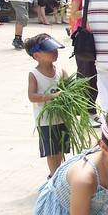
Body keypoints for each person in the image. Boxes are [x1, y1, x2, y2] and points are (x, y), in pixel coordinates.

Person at [24, 33, 70, 177]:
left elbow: (69, 88)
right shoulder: (34, 74)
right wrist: (52, 96)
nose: (54, 53)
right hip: (45, 120)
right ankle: (54, 176)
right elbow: (32, 96)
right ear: (36, 55)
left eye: (55, 49)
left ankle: (58, 173)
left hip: (61, 117)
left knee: (61, 148)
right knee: (51, 151)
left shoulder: (61, 71)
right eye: (49, 51)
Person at [70, 0, 104, 127]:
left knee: (91, 75)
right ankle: (89, 113)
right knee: (87, 77)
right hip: (84, 37)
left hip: (94, 36)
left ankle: (87, 111)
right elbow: (74, 13)